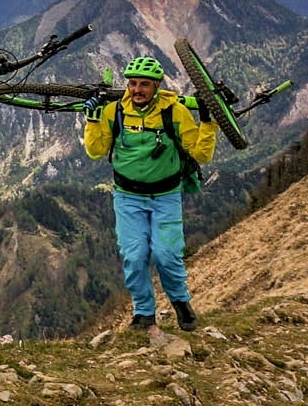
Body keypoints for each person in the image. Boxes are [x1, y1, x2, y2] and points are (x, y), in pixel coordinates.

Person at [82, 55, 217, 332]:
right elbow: (96, 150)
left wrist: (207, 121)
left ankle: (180, 302)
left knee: (167, 255)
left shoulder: (174, 112)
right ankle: (144, 312)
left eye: (145, 84)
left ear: (157, 86)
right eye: (132, 83)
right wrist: (92, 120)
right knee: (135, 255)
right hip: (127, 197)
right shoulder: (115, 111)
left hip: (165, 197)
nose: (137, 90)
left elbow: (201, 153)